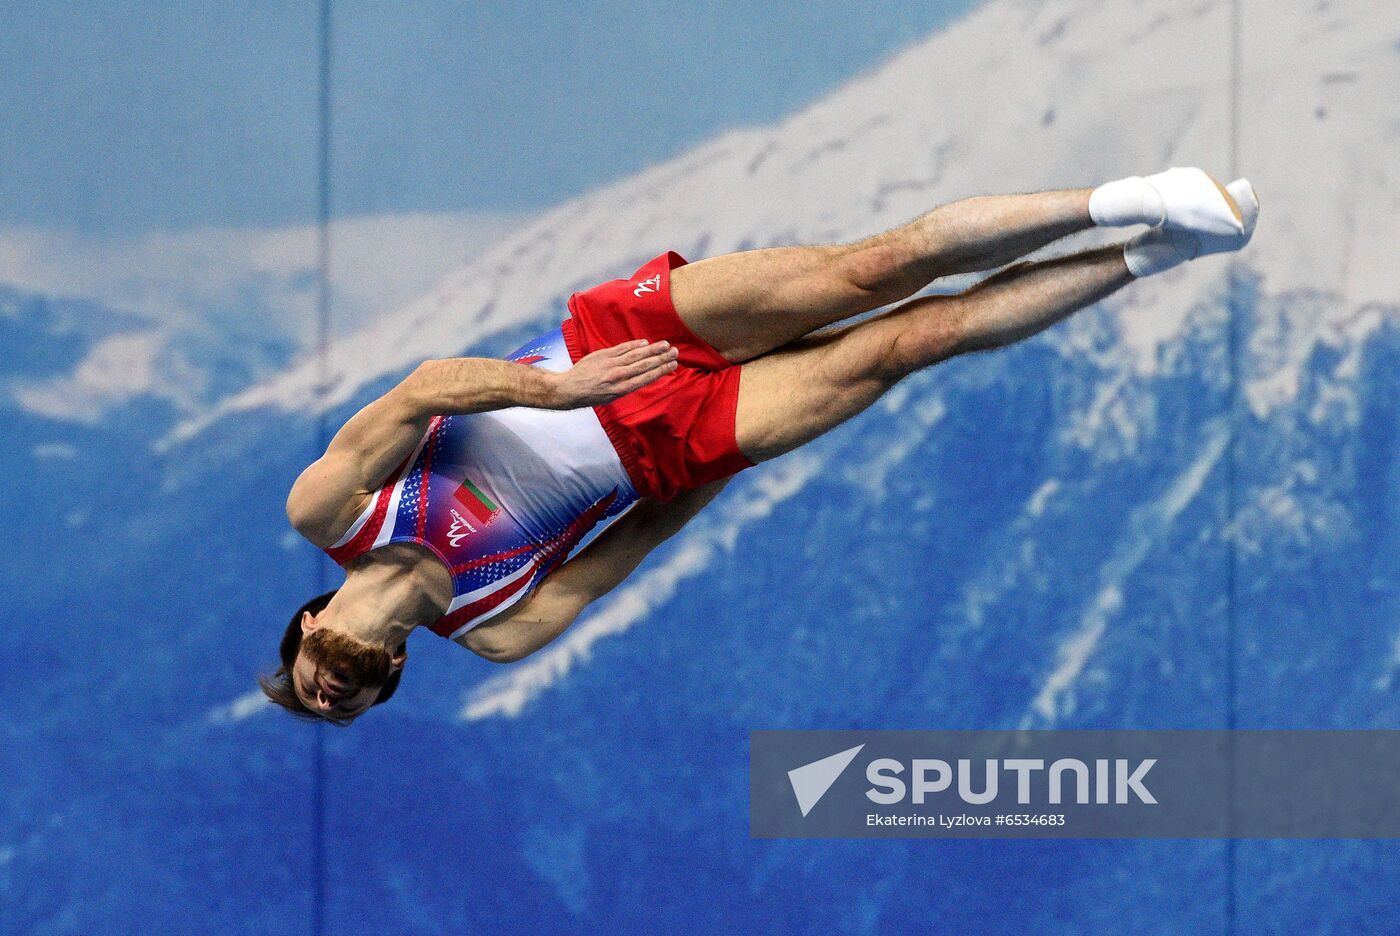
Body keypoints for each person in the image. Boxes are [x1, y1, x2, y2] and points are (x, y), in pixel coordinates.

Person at [260, 167, 1259, 724]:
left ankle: (1127, 198)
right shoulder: (497, 628)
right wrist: (722, 454)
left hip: (608, 350)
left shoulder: (330, 512)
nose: (326, 694)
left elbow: (426, 386)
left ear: (304, 631)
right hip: (668, 452)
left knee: (873, 271)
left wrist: (562, 390)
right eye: (337, 707)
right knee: (908, 343)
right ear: (387, 681)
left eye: (306, 685)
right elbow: (633, 544)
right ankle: (1150, 251)